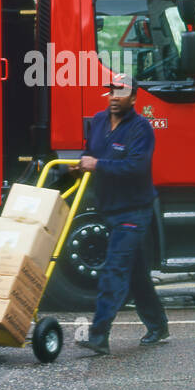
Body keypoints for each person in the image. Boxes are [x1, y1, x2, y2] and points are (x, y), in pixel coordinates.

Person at [69, 77, 169, 355]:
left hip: (134, 210)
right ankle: (159, 326)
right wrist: (80, 166)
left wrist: (98, 164)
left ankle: (99, 335)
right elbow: (90, 153)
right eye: (111, 91)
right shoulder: (100, 121)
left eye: (121, 93)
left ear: (134, 99)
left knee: (114, 268)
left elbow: (136, 167)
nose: (114, 97)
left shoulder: (141, 128)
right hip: (109, 209)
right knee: (136, 274)